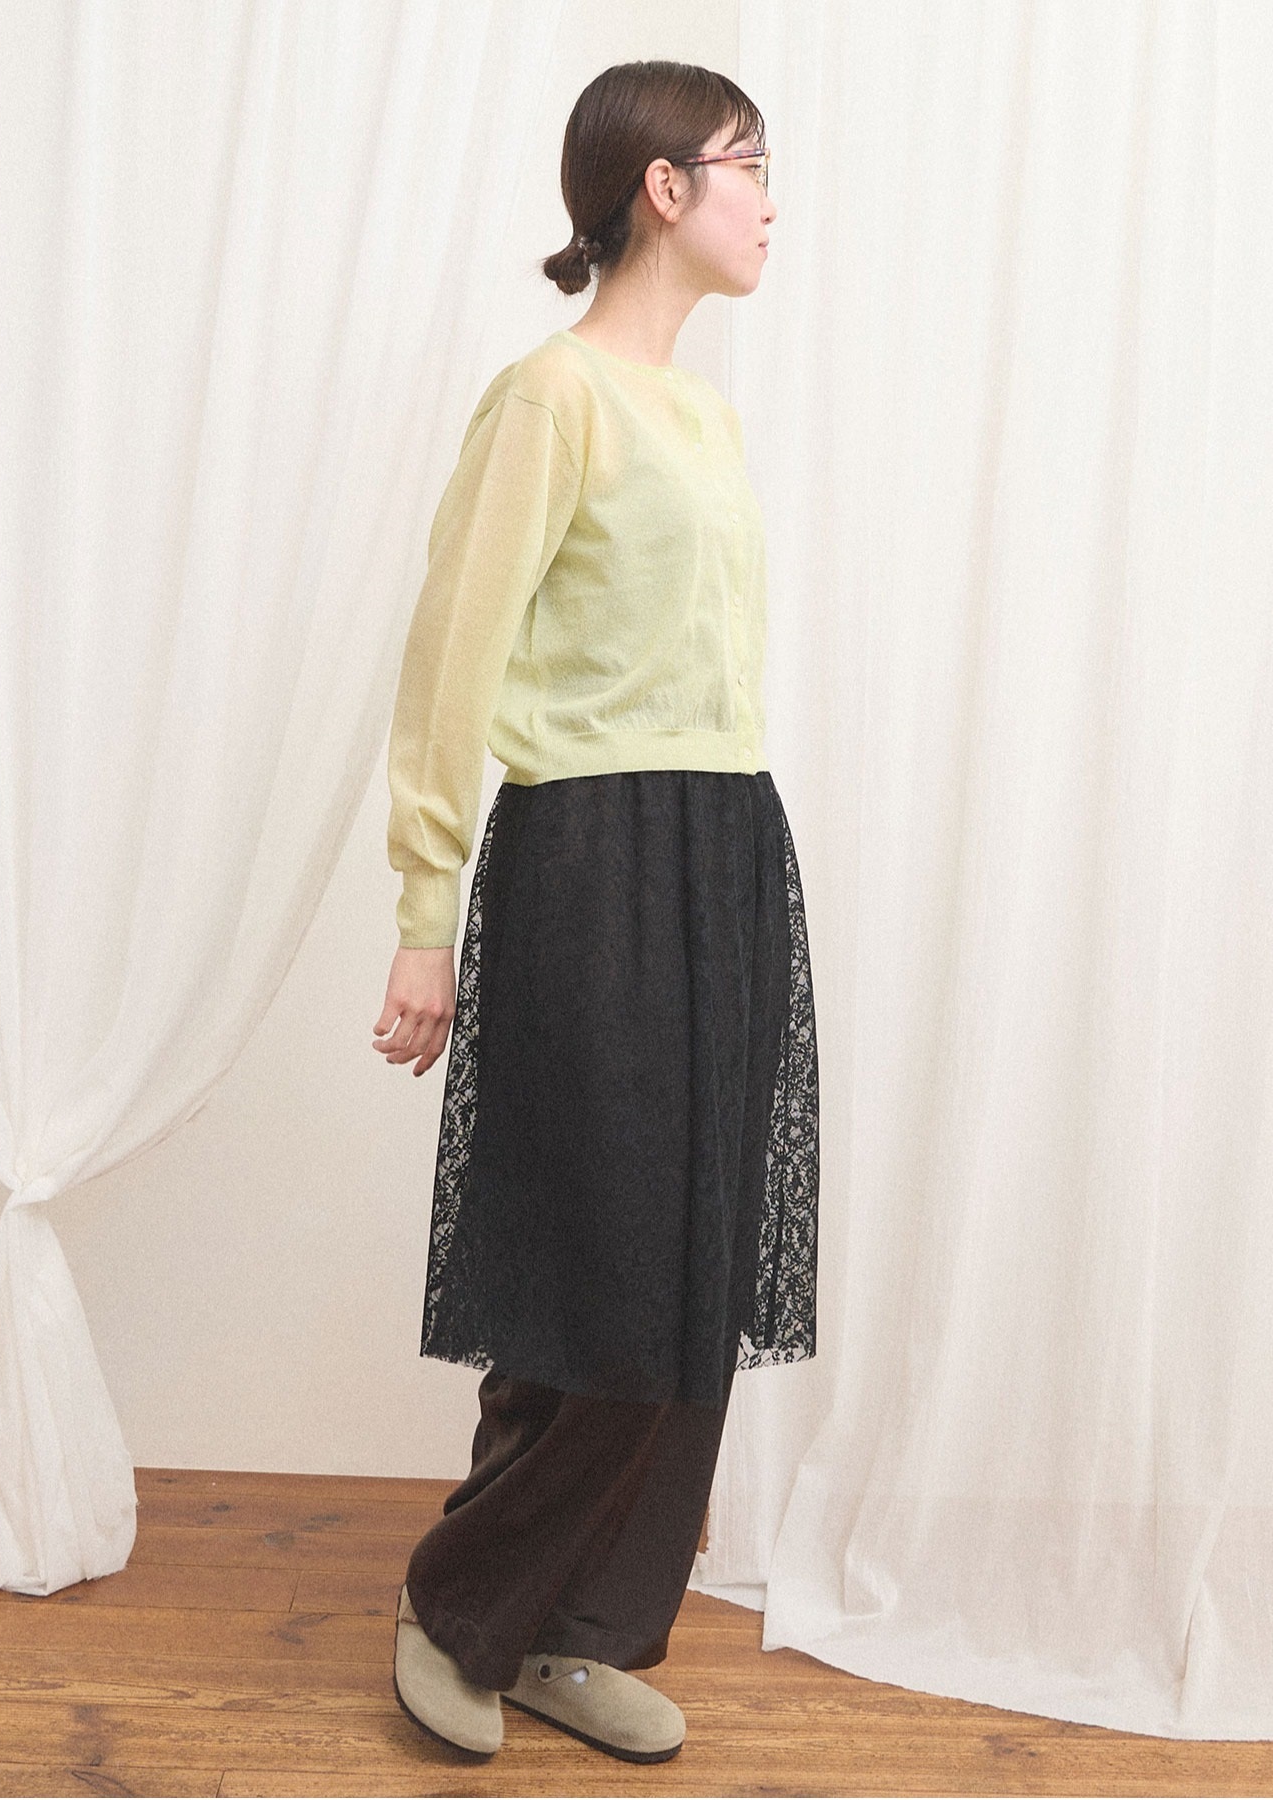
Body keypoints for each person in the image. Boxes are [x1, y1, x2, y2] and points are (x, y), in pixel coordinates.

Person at [372, 58, 819, 1765]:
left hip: (727, 845)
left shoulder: (702, 415)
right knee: (595, 1264)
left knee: (687, 1273)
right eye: (747, 165)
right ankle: (461, 1605)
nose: (771, 200)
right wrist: (425, 911)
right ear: (662, 188)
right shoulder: (548, 401)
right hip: (590, 852)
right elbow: (451, 662)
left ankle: (578, 1630)